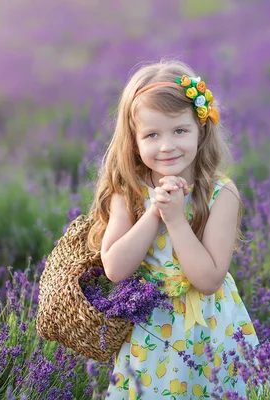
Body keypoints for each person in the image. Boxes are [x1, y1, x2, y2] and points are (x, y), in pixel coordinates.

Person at [87, 60, 259, 399]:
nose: (167, 146)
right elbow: (116, 269)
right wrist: (154, 214)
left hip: (212, 330)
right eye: (152, 135)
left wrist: (177, 220)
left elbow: (209, 280)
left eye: (179, 130)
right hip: (152, 331)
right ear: (134, 141)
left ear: (201, 130)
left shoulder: (221, 194)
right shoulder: (130, 192)